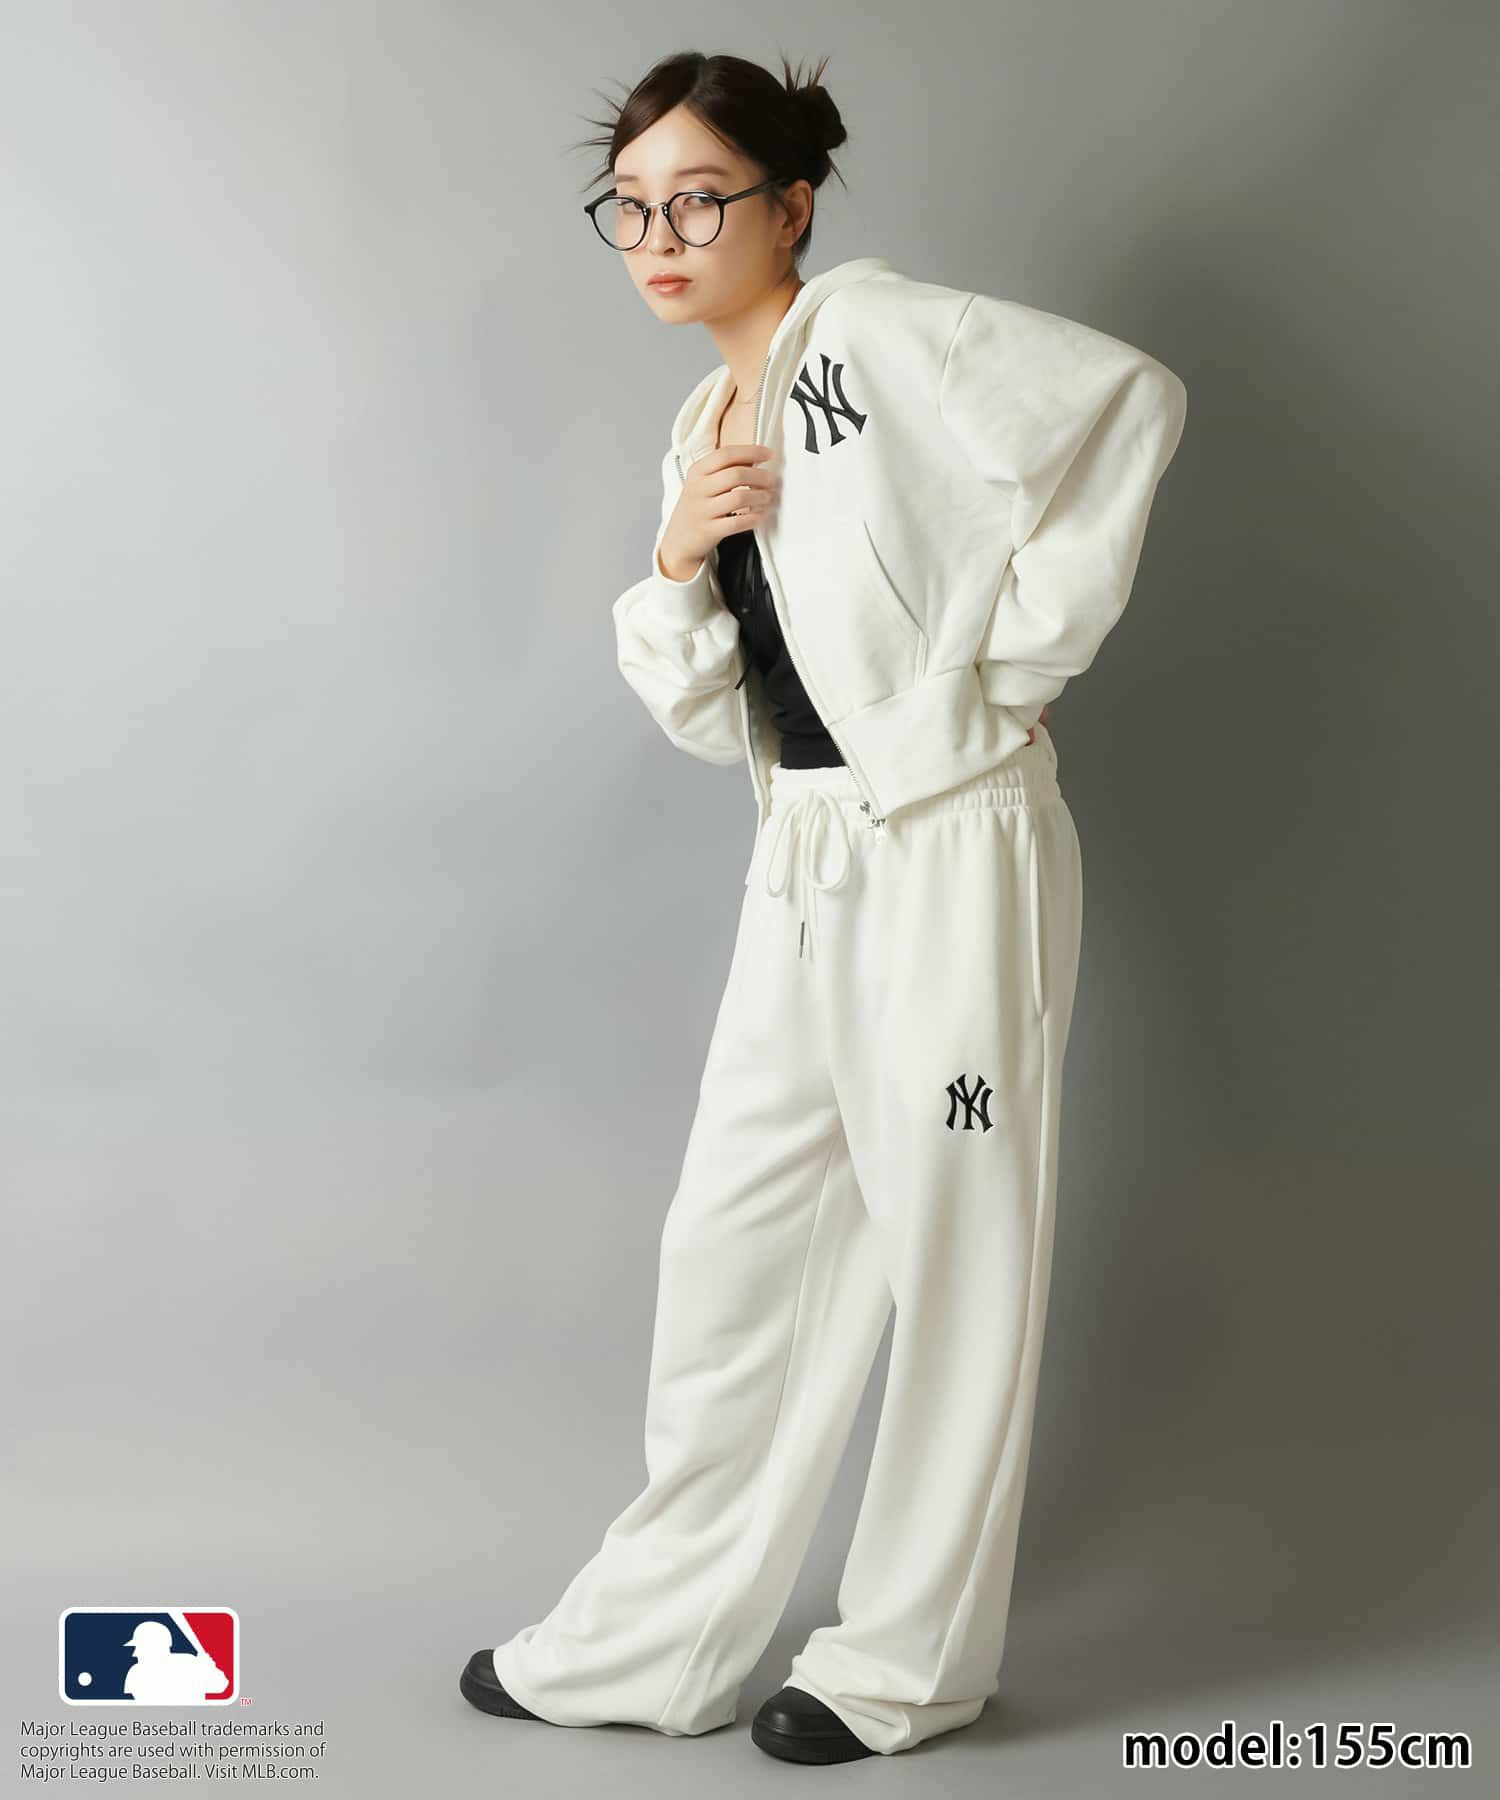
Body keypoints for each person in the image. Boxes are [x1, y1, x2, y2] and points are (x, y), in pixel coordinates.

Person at [460, 48, 1187, 1764]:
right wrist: (677, 554)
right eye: (632, 208)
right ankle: (659, 1639)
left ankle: (902, 1667)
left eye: (699, 201)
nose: (660, 238)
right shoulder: (702, 426)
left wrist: (1001, 679)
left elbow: (1129, 402)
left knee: (954, 1247)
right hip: (805, 856)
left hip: (955, 852)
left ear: (789, 207)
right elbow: (712, 712)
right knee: (740, 1246)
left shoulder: (871, 332)